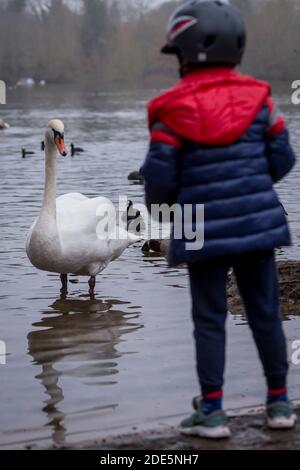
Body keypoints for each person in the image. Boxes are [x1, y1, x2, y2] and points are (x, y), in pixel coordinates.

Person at [141, 0, 296, 439]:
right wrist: (249, 186)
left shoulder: (170, 110)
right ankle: (280, 403)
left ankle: (212, 412)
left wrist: (162, 212)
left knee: (209, 318)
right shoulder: (261, 100)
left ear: (186, 54)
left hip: (200, 228)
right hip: (256, 225)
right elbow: (283, 158)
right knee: (266, 313)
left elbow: (159, 177)